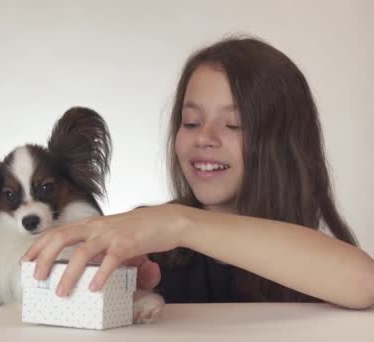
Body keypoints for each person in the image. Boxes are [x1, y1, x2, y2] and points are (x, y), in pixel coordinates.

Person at [20, 36, 374, 310]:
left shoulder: (317, 255)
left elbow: (363, 282)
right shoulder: (147, 244)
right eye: (191, 122)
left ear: (283, 143)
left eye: (233, 124)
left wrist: (181, 223)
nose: (204, 137)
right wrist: (108, 295)